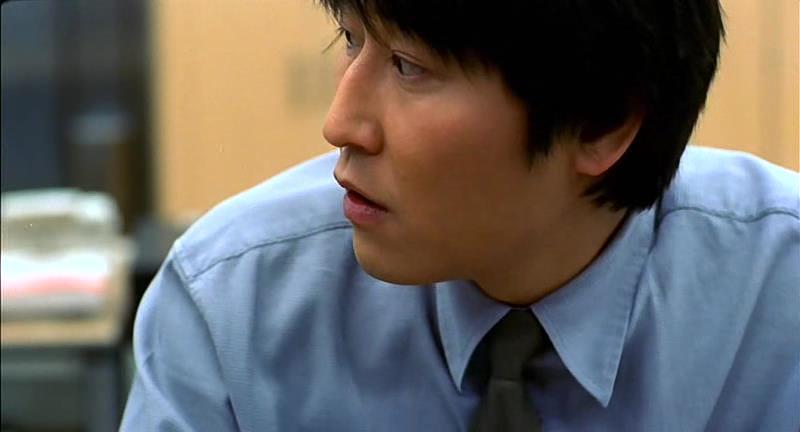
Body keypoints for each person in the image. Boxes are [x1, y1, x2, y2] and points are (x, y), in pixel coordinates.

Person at [121, 0, 799, 430]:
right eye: (351, 39)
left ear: (603, 123)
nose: (341, 124)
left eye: (409, 66)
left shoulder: (779, 291)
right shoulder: (231, 301)